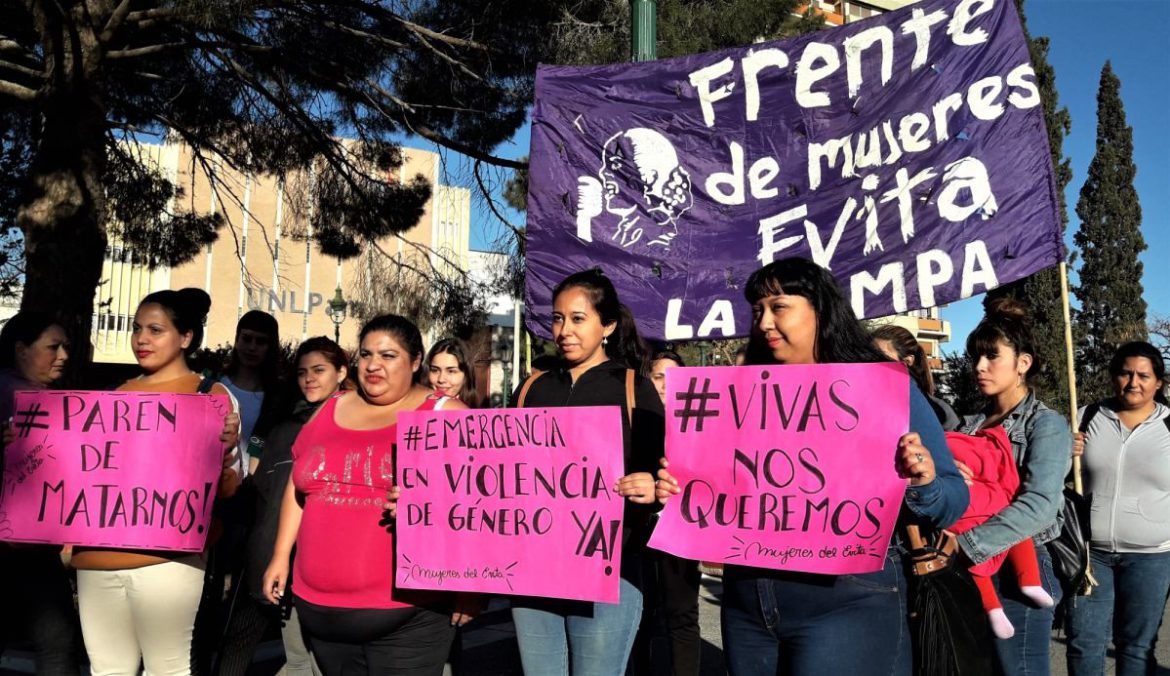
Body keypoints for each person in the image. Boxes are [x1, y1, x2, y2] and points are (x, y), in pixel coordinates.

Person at [656, 258, 968, 675]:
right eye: (757, 311)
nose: (764, 322)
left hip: (846, 603)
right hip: (747, 605)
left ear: (819, 308)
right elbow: (723, 493)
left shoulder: (881, 387)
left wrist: (923, 481)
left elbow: (952, 499)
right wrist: (680, 486)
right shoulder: (736, 399)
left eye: (778, 307)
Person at [263, 315, 474, 676]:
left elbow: (480, 506)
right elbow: (298, 486)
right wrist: (281, 555)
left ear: (416, 362)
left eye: (389, 356)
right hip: (322, 618)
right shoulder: (330, 407)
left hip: (409, 618)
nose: (373, 365)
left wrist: (472, 590)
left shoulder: (445, 416)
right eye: (365, 354)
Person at [71, 288, 241, 676]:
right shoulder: (111, 397)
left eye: (155, 330)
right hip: (97, 557)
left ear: (186, 337)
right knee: (107, 669)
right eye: (136, 329)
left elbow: (230, 489)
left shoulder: (211, 397)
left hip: (170, 559)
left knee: (167, 669)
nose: (141, 339)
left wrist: (225, 453)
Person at [508, 268, 665, 676]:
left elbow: (668, 470)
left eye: (578, 319)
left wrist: (652, 487)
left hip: (609, 569)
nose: (564, 330)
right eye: (557, 318)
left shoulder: (634, 388)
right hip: (534, 569)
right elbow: (496, 470)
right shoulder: (531, 388)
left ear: (608, 325)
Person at [954, 296, 1071, 675]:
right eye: (975, 357)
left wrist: (969, 545)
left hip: (1021, 569)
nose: (979, 367)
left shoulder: (1046, 425)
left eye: (991, 357)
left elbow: (1040, 505)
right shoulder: (967, 425)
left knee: (1019, 669)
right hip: (971, 567)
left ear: (1023, 364)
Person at [218, 338, 349, 676]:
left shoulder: (355, 427)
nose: (309, 378)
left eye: (319, 370)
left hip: (327, 567)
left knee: (319, 661)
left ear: (342, 373)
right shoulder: (284, 427)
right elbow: (260, 493)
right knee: (292, 657)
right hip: (271, 558)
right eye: (303, 372)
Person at [1066, 341, 1170, 676]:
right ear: (1114, 376)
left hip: (1153, 556)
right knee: (1084, 643)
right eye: (1125, 373)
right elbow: (1058, 477)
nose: (1133, 382)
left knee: (1136, 647)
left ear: (1159, 382)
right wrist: (1066, 454)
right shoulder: (1086, 417)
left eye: (1143, 375)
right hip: (1090, 555)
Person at [0, 313, 80, 676]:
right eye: (53, 347)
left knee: (58, 643)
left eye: (65, 347)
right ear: (21, 350)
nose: (63, 355)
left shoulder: (60, 402)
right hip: (11, 546)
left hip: (38, 547)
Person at [642, 349, 701, 676]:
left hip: (681, 534)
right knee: (641, 614)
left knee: (681, 615)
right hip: (640, 532)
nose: (666, 385)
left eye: (674, 378)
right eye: (658, 376)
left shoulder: (699, 428)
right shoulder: (636, 422)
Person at [872, 323, 960, 430]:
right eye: (868, 356)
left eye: (880, 357)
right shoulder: (859, 402)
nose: (871, 363)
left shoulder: (938, 411)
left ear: (907, 361)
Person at [425, 338, 477, 405]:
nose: (441, 379)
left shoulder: (477, 413)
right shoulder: (413, 408)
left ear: (466, 375)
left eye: (451, 371)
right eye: (435, 370)